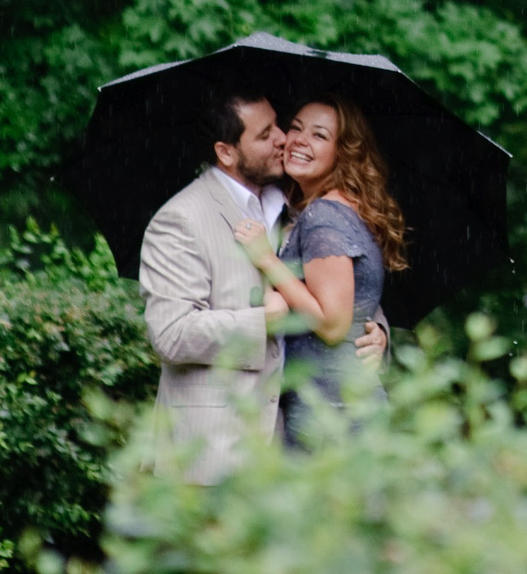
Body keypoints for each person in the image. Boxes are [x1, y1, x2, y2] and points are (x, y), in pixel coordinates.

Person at [138, 91, 389, 479]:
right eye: (267, 133)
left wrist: (378, 334)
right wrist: (261, 321)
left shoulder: (298, 208)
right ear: (226, 152)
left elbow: (342, 290)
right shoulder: (182, 219)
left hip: (291, 440)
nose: (283, 140)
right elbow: (170, 333)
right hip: (213, 451)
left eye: (278, 125)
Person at [233, 95, 406, 444]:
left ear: (343, 153)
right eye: (295, 128)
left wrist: (267, 259)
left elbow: (332, 324)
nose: (299, 140)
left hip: (330, 414)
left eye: (319, 135)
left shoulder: (323, 216)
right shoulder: (340, 209)